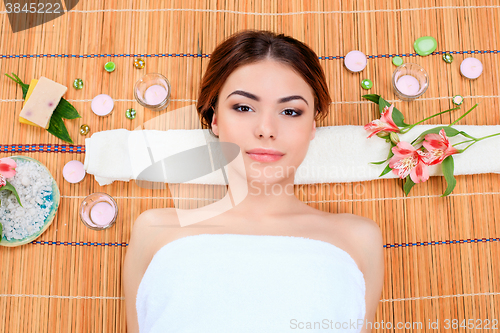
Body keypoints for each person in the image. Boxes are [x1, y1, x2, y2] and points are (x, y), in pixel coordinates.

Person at [123, 29, 384, 333]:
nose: (266, 129)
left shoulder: (358, 238)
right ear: (215, 119)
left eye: (290, 111)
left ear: (312, 127)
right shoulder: (154, 231)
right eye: (244, 107)